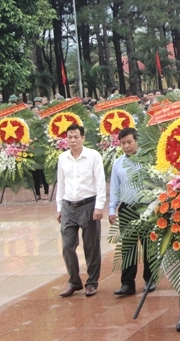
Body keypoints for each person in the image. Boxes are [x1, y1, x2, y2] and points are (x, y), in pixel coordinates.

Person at [56, 124, 106, 298]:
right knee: (67, 245)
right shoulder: (63, 158)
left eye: (76, 136)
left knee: (91, 246)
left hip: (89, 205)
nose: (73, 140)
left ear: (83, 138)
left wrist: (99, 206)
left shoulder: (93, 156)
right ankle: (74, 281)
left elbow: (100, 181)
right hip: (68, 206)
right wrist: (59, 207)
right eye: (69, 137)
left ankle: (91, 282)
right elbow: (60, 183)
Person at [109, 128, 154, 296]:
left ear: (137, 141)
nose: (126, 146)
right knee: (128, 246)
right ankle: (127, 283)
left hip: (146, 207)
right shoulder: (118, 163)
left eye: (130, 142)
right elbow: (115, 187)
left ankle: (150, 279)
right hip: (127, 208)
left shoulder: (147, 159)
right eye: (123, 143)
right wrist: (112, 208)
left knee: (148, 245)